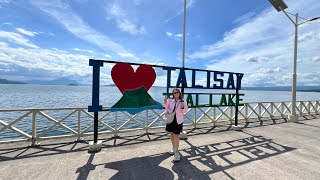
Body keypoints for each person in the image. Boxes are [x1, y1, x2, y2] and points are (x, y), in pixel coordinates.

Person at [164, 88, 188, 162]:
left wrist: (183, 105)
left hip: (178, 121)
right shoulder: (170, 100)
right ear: (173, 94)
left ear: (179, 93)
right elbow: (167, 108)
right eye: (174, 93)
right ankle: (174, 148)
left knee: (176, 135)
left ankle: (176, 152)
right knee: (171, 134)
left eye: (177, 92)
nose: (176, 93)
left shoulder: (183, 101)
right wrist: (165, 103)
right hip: (171, 120)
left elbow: (185, 111)